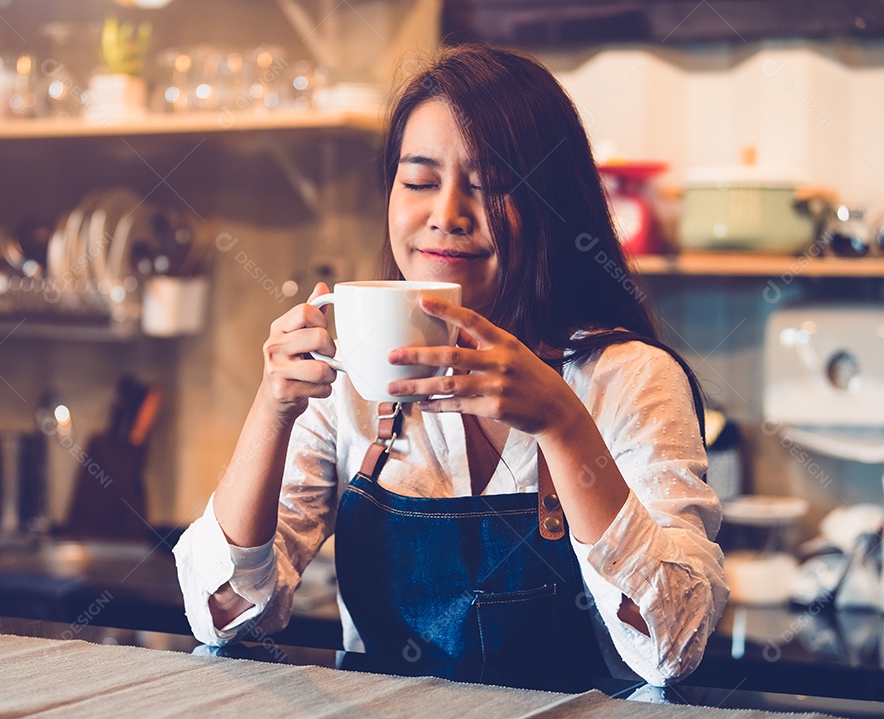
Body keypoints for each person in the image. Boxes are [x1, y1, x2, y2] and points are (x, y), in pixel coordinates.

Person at [174, 43, 728, 686]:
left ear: (553, 204)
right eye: (419, 182)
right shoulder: (350, 379)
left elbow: (672, 648)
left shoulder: (631, 378)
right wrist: (271, 412)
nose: (446, 216)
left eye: (489, 186)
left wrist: (563, 423)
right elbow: (224, 616)